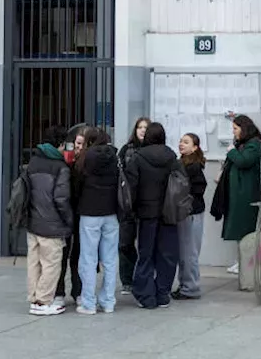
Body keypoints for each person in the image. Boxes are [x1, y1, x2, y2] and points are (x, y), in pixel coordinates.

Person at [124, 122, 181, 310]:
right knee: (167, 254)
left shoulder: (138, 158)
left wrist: (130, 210)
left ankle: (146, 295)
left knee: (145, 254)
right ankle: (162, 293)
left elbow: (131, 187)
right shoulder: (172, 156)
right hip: (168, 212)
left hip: (146, 212)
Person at [24, 125, 73, 315]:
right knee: (51, 263)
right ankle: (44, 302)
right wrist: (68, 221)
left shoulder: (33, 162)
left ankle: (34, 298)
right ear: (60, 144)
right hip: (52, 224)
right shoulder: (60, 167)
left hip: (33, 222)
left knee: (34, 262)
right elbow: (61, 199)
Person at [74, 128, 119, 315]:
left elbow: (77, 186)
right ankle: (108, 301)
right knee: (109, 259)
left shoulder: (85, 158)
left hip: (90, 212)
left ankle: (88, 303)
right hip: (111, 212)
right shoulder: (115, 157)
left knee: (88, 259)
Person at [212, 114, 261, 274]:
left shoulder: (253, 145)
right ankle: (240, 259)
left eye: (235, 128)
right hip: (237, 192)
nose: (233, 132)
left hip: (245, 193)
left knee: (244, 228)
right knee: (238, 229)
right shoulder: (243, 144)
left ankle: (245, 260)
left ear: (244, 128)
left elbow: (243, 161)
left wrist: (232, 152)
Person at [172, 132, 207, 301]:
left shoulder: (193, 166)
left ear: (195, 147)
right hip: (187, 212)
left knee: (188, 252)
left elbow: (198, 189)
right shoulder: (183, 163)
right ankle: (185, 285)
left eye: (186, 142)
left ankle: (190, 287)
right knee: (185, 252)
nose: (181, 144)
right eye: (181, 141)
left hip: (191, 213)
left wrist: (186, 199)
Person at [117, 117, 150, 294]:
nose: (142, 130)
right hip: (128, 203)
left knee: (146, 244)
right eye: (139, 127)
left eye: (146, 127)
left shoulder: (153, 150)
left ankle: (144, 278)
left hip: (146, 203)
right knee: (125, 244)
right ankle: (127, 280)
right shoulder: (126, 150)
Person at [56, 128, 86, 302]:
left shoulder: (88, 163)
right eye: (77, 143)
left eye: (82, 144)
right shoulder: (64, 162)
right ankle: (59, 291)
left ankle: (78, 290)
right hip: (65, 212)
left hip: (82, 212)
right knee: (62, 253)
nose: (79, 148)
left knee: (79, 254)